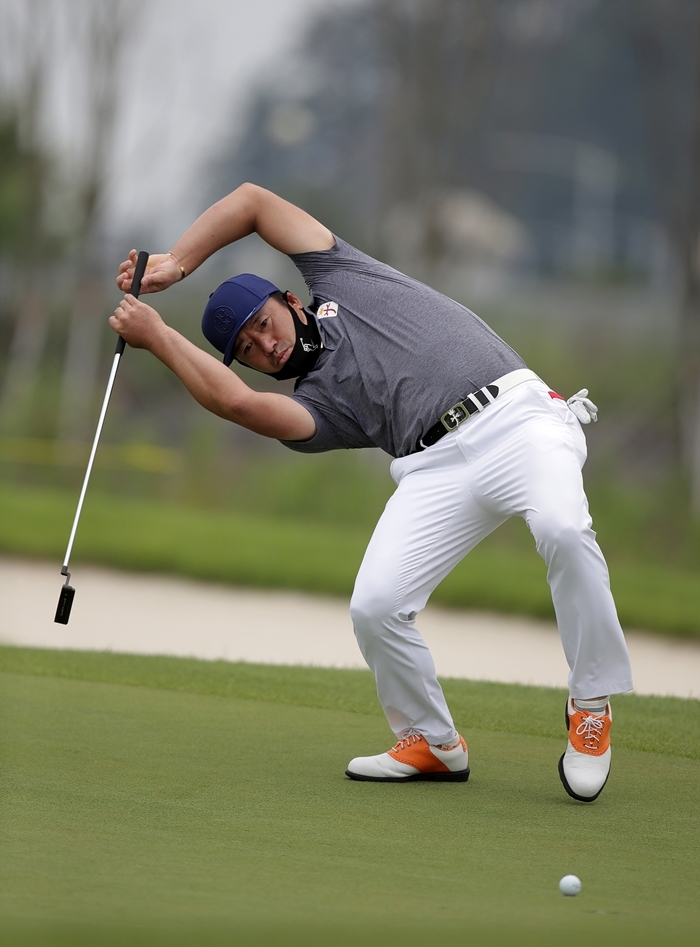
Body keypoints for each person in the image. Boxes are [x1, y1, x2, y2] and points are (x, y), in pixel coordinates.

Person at [113, 183, 633, 802]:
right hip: (433, 466)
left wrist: (175, 263)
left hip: (519, 417)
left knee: (564, 530)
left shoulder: (343, 276)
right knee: (376, 606)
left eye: (262, 324)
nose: (265, 345)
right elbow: (237, 404)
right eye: (246, 350)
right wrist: (158, 336)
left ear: (287, 300)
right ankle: (432, 743)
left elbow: (252, 203)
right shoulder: (317, 408)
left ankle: (591, 703)